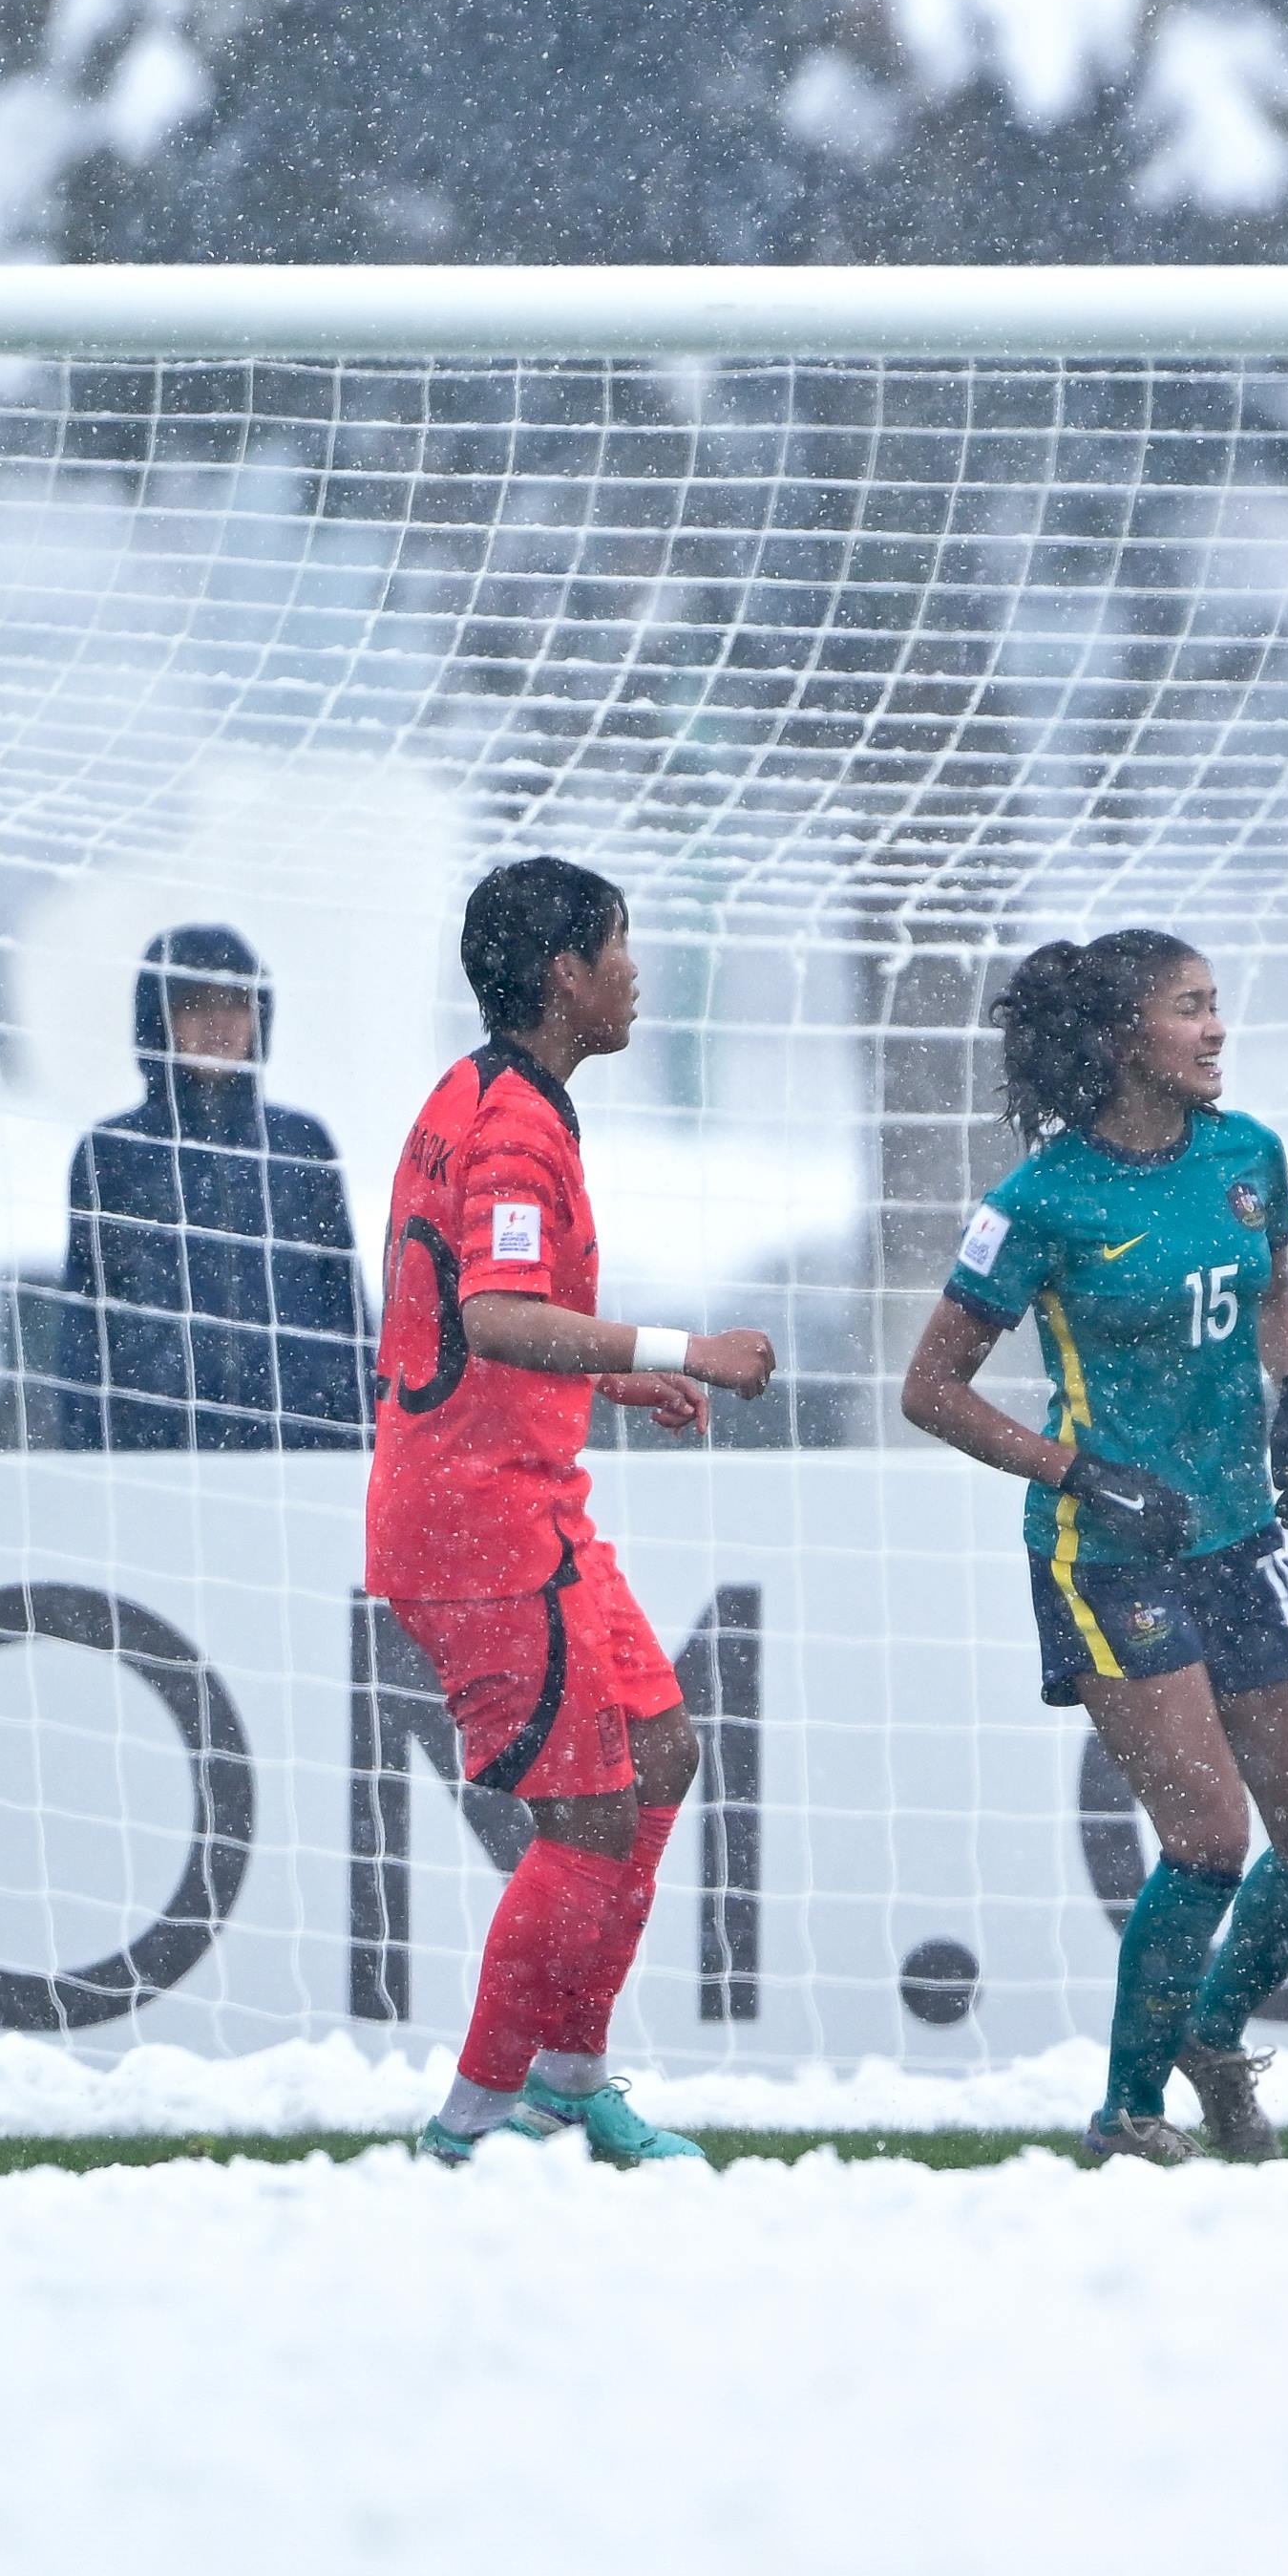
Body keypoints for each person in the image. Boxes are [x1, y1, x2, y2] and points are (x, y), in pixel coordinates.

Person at [901, 931, 1288, 2168]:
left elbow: (1272, 1289)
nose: (1216, 1030)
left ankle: (1211, 2035)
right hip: (1106, 1551)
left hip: (1237, 1535)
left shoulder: (1246, 1154)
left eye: (1218, 1005)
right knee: (1210, 1840)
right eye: (1190, 1009)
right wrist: (1083, 1470)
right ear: (1121, 1038)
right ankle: (1125, 2111)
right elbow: (931, 1388)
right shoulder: (1039, 1203)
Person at [367, 858, 776, 2166]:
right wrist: (686, 1345)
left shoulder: (484, 1091)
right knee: (593, 1819)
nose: (635, 969)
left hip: (526, 1507)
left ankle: (567, 2076)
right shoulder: (513, 1127)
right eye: (618, 945)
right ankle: (471, 2125)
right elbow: (492, 1313)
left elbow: (486, 1323)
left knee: (660, 1757)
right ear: (564, 973)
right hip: (480, 1528)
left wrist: (626, 1370)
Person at [43, 923, 372, 1449]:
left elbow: (345, 1311)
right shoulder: (113, 1153)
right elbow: (85, 1321)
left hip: (300, 1453)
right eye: (194, 1005)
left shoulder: (300, 1146)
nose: (218, 1023)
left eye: (236, 1002)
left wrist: (363, 1435)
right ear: (160, 1019)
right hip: (154, 1455)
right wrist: (86, 1452)